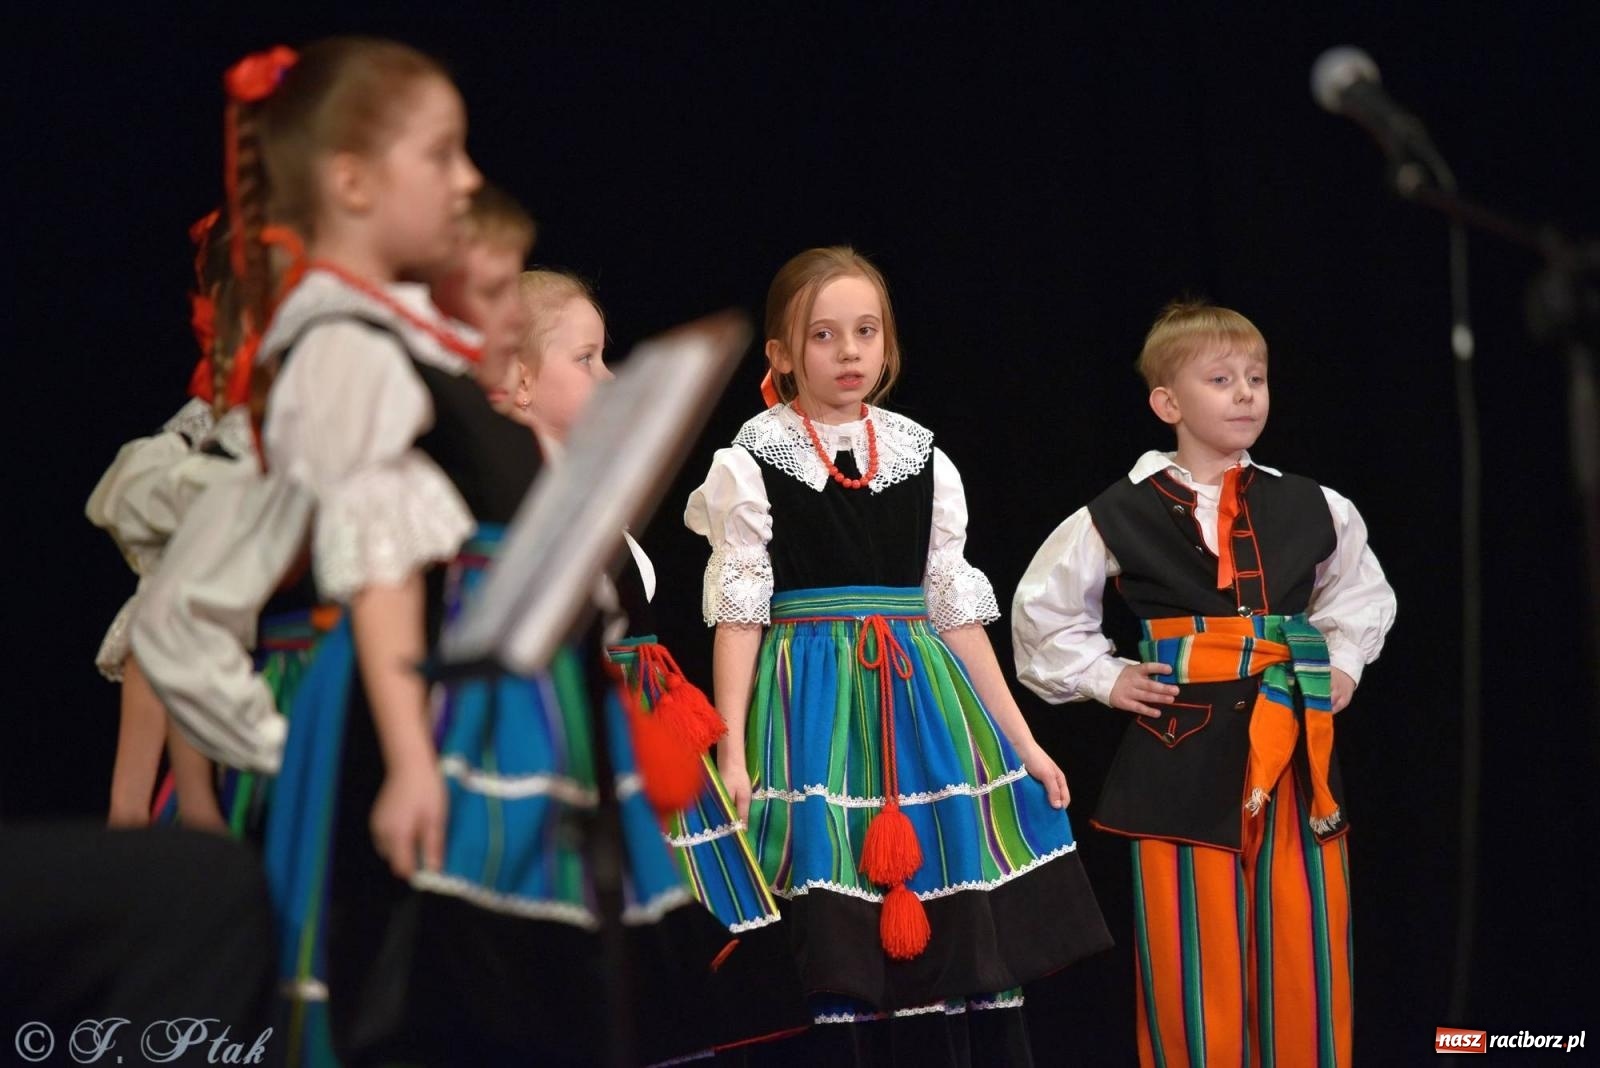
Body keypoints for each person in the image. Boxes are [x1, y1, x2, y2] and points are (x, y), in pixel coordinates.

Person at [686, 246, 1110, 1065]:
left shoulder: (923, 458)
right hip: (811, 711)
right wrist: (732, 752)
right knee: (831, 898)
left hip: (922, 708)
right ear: (781, 354)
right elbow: (739, 617)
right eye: (823, 335)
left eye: (866, 331)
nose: (848, 352)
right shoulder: (750, 462)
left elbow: (956, 615)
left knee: (947, 897)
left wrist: (1024, 742)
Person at [1011, 300, 1397, 1068]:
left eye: (1256, 377)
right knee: (1193, 959)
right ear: (1168, 403)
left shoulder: (1312, 503)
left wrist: (1342, 663)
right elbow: (1042, 617)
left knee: (1303, 940)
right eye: (1221, 379)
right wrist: (1108, 677)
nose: (1245, 393)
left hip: (1292, 751)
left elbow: (1359, 593)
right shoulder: (1119, 512)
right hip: (1178, 758)